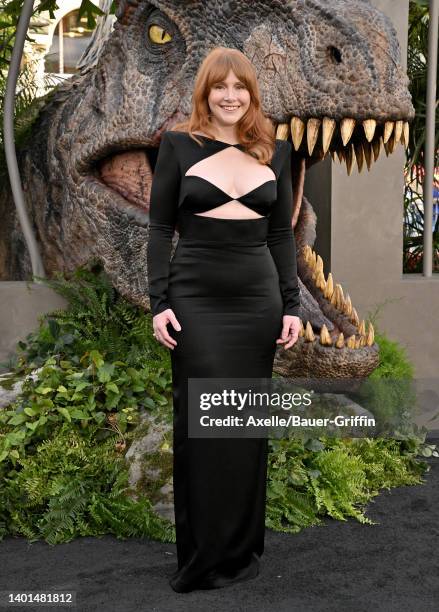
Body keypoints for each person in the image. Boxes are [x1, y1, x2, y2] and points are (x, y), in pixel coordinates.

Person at [146, 46, 301, 593]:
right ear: (205, 93)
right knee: (202, 427)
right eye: (220, 87)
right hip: (196, 299)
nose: (230, 96)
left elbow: (281, 234)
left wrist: (291, 305)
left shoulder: (275, 153)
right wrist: (159, 301)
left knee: (244, 427)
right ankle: (201, 557)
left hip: (256, 302)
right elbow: (160, 229)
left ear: (251, 94)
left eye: (240, 87)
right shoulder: (177, 146)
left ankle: (239, 549)